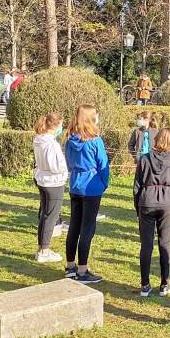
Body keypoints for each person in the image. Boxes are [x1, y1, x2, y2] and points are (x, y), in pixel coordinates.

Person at [63, 104, 110, 284]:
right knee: (87, 228)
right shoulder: (95, 141)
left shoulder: (70, 140)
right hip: (91, 187)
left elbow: (68, 162)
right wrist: (104, 183)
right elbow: (103, 165)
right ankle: (82, 270)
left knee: (74, 225)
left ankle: (70, 265)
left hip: (75, 184)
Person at [134, 127, 170, 296]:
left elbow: (137, 186)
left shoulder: (144, 159)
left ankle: (145, 284)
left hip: (147, 201)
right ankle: (164, 283)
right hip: (167, 202)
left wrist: (137, 206)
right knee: (165, 244)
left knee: (146, 244)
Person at [32, 112, 67, 263]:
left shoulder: (39, 139)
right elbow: (56, 166)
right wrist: (66, 169)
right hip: (53, 182)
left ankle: (41, 248)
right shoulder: (51, 144)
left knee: (45, 215)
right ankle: (44, 250)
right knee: (50, 216)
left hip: (43, 179)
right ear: (56, 125)